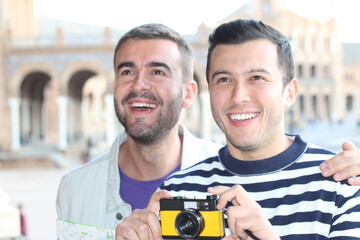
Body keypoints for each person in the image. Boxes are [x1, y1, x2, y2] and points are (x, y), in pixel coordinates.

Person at [57, 23, 360, 232]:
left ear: (289, 92)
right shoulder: (177, 193)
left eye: (257, 77)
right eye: (224, 79)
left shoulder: (344, 184)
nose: (239, 96)